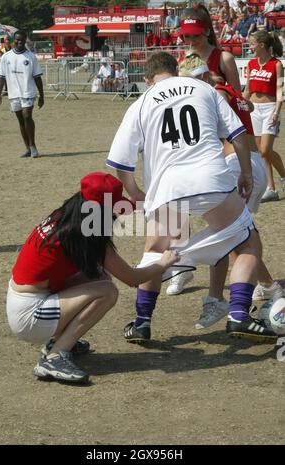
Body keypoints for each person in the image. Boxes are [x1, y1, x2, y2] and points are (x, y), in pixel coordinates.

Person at [106, 51, 277, 343]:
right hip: (211, 179)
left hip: (167, 188)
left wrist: (135, 193)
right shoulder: (204, 88)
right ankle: (238, 314)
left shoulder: (141, 102)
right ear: (176, 70)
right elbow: (237, 134)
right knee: (247, 241)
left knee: (155, 252)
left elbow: (120, 162)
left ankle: (142, 321)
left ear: (148, 80)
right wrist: (246, 173)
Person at [6, 172, 179, 384]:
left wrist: (142, 204)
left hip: (25, 300)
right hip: (29, 317)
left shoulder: (68, 216)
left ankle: (62, 341)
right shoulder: (87, 235)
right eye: (114, 208)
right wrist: (163, 263)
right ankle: (54, 356)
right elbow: (131, 278)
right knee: (107, 292)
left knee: (99, 277)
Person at [168, 54, 283, 326]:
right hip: (248, 162)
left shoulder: (216, 92)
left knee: (228, 234)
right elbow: (250, 111)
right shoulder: (228, 90)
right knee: (240, 235)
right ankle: (266, 285)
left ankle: (214, 294)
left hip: (236, 162)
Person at [243, 30, 285, 202]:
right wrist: (239, 105)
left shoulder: (276, 64)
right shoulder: (251, 63)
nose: (250, 47)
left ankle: (283, 177)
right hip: (254, 110)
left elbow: (280, 89)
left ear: (261, 45)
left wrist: (277, 110)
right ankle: (271, 189)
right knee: (261, 152)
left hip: (269, 110)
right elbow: (247, 89)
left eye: (252, 44)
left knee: (266, 149)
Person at [0, 30, 43, 159]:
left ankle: (33, 146)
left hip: (28, 92)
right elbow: (1, 77)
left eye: (22, 40)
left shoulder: (31, 57)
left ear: (25, 40)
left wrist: (42, 97)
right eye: (17, 39)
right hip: (13, 94)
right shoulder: (6, 57)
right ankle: (27, 148)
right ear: (13, 40)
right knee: (21, 120)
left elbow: (37, 77)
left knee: (27, 116)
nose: (19, 42)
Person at [179, 5, 241, 92]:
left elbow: (238, 98)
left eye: (196, 35)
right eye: (187, 36)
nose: (191, 41)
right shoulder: (181, 59)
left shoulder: (224, 58)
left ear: (207, 31)